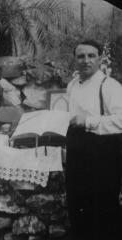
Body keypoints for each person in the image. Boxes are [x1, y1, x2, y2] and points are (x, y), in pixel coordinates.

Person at [66, 40, 122, 239]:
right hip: (77, 154)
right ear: (75, 59)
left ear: (100, 59)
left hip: (102, 155)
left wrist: (88, 122)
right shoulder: (72, 85)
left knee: (103, 210)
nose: (86, 60)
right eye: (81, 56)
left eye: (91, 56)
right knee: (77, 205)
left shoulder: (109, 86)